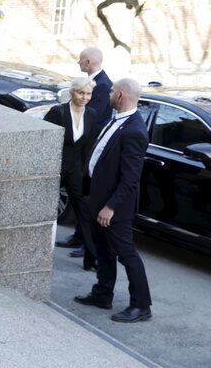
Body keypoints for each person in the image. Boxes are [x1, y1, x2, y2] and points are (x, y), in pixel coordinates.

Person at [74, 78, 153, 323]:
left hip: (114, 207)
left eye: (110, 91)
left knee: (126, 253)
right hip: (99, 200)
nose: (107, 93)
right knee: (103, 250)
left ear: (120, 95)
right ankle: (102, 294)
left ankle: (141, 306)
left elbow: (130, 179)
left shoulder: (134, 130)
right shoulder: (119, 121)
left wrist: (110, 207)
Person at [59, 47, 112, 254]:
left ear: (88, 62)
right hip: (78, 152)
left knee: (83, 199)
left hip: (86, 151)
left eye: (80, 59)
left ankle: (86, 244)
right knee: (78, 198)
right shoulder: (98, 83)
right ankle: (79, 237)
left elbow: (93, 118)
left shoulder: (103, 85)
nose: (78, 63)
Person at [44, 77, 99, 270]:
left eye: (88, 94)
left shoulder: (91, 115)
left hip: (76, 170)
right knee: (44, 208)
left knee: (84, 211)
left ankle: (91, 258)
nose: (84, 97)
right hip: (55, 167)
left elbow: (88, 146)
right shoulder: (57, 112)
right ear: (72, 92)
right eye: (80, 93)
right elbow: (47, 143)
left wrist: (85, 173)